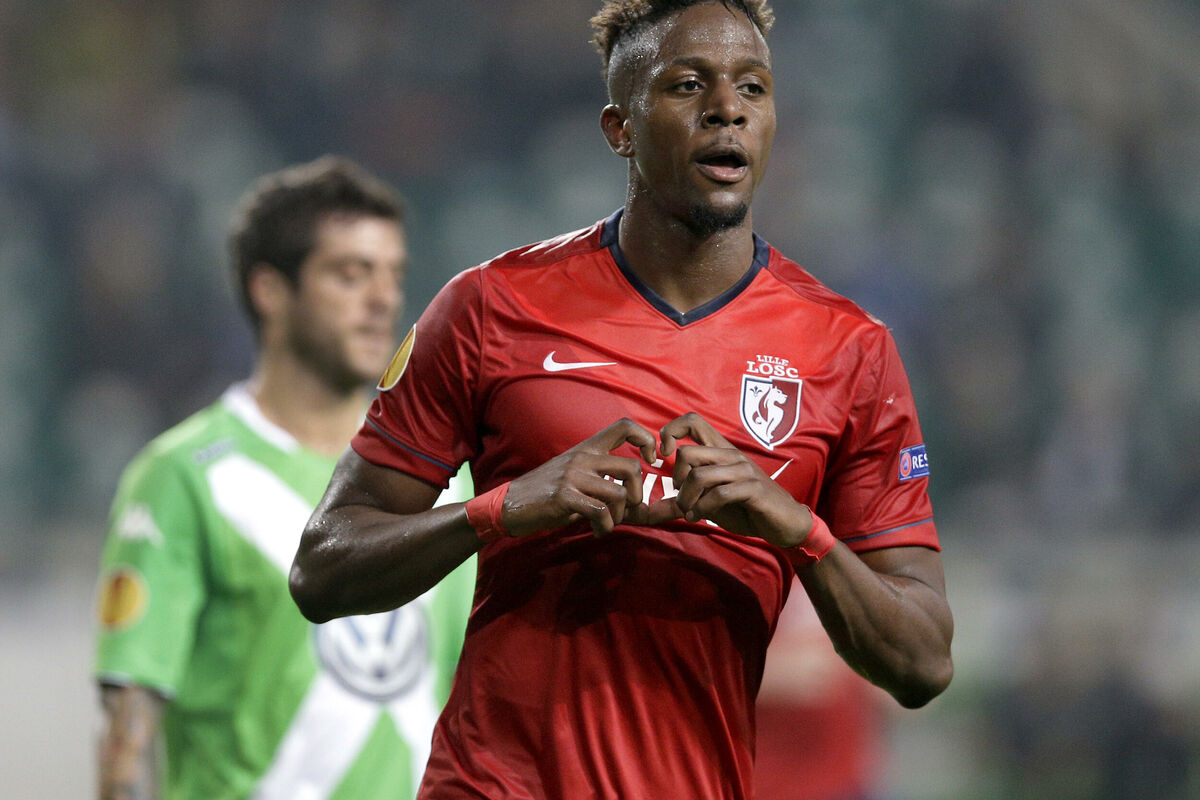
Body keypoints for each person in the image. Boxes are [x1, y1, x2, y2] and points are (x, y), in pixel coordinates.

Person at [290, 2, 954, 798]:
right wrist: (501, 508)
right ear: (620, 129)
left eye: (753, 87)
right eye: (688, 85)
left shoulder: (848, 352)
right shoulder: (491, 307)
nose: (727, 108)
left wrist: (796, 529)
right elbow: (322, 569)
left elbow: (923, 662)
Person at [93, 156, 474, 800]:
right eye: (350, 274)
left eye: (393, 275)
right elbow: (126, 739)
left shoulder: (449, 480)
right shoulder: (184, 477)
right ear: (270, 290)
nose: (383, 300)